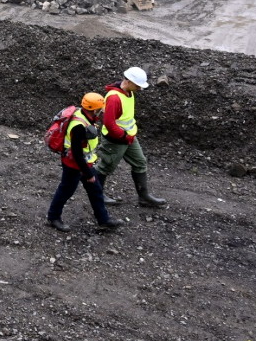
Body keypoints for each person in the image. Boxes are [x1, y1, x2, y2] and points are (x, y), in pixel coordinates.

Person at [46, 93, 124, 232]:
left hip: (83, 163)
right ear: (94, 109)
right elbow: (76, 153)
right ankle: (53, 217)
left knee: (95, 190)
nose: (102, 112)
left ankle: (103, 219)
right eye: (100, 109)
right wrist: (88, 174)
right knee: (66, 191)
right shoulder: (79, 127)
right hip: (74, 165)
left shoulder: (83, 116)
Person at [95, 66, 167, 208]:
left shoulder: (128, 92)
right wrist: (123, 136)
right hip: (115, 139)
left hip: (128, 137)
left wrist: (128, 136)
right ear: (128, 81)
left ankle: (144, 197)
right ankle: (97, 195)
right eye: (138, 85)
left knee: (140, 162)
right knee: (105, 167)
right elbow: (109, 124)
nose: (140, 89)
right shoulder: (114, 98)